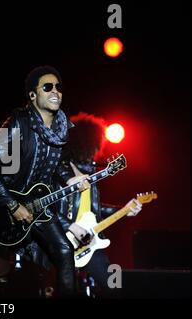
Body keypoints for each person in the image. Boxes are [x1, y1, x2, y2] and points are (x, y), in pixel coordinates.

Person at [0, 66, 90, 298]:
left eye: (58, 87)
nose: (56, 91)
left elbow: (57, 165)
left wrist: (71, 178)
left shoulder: (61, 128)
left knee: (64, 251)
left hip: (36, 203)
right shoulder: (18, 122)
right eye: (48, 87)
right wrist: (12, 205)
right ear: (33, 95)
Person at [55, 112, 142, 297]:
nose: (98, 149)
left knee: (115, 287)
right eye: (96, 143)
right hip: (62, 240)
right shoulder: (58, 168)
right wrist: (72, 227)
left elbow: (94, 209)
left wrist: (125, 210)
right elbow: (47, 208)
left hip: (88, 242)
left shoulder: (91, 172)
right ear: (85, 142)